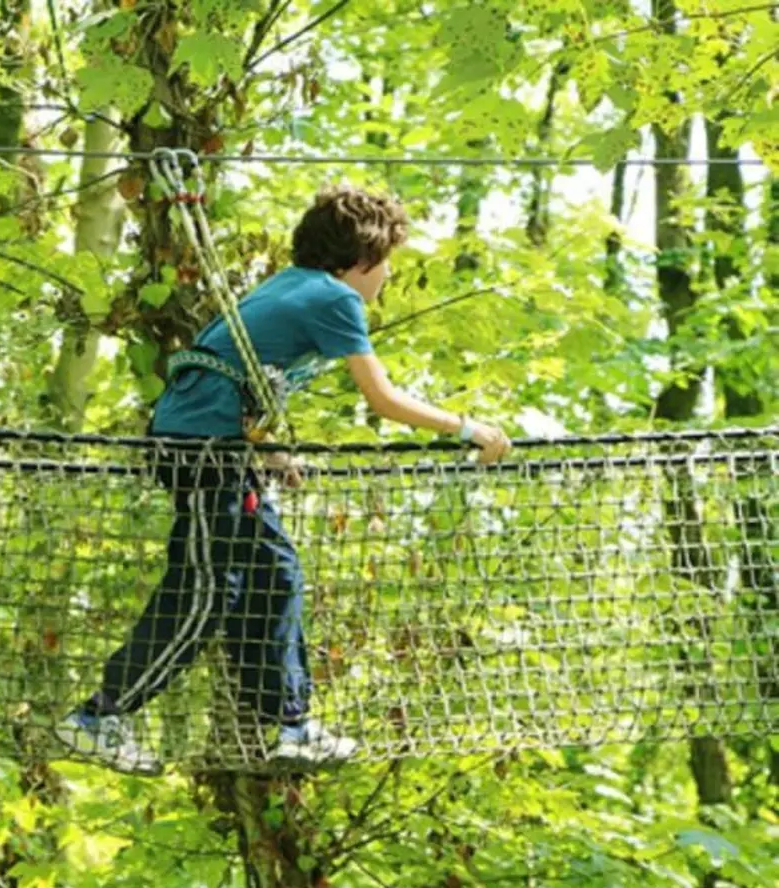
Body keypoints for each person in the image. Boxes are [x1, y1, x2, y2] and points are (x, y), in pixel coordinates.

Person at [55, 185, 513, 774]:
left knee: (276, 573)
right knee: (207, 590)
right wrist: (467, 427)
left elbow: (237, 379)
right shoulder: (333, 298)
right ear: (362, 259)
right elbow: (383, 398)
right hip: (203, 452)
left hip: (220, 446)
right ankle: (98, 717)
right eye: (388, 263)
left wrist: (267, 452)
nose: (388, 278)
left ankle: (292, 725)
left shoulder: (288, 285)